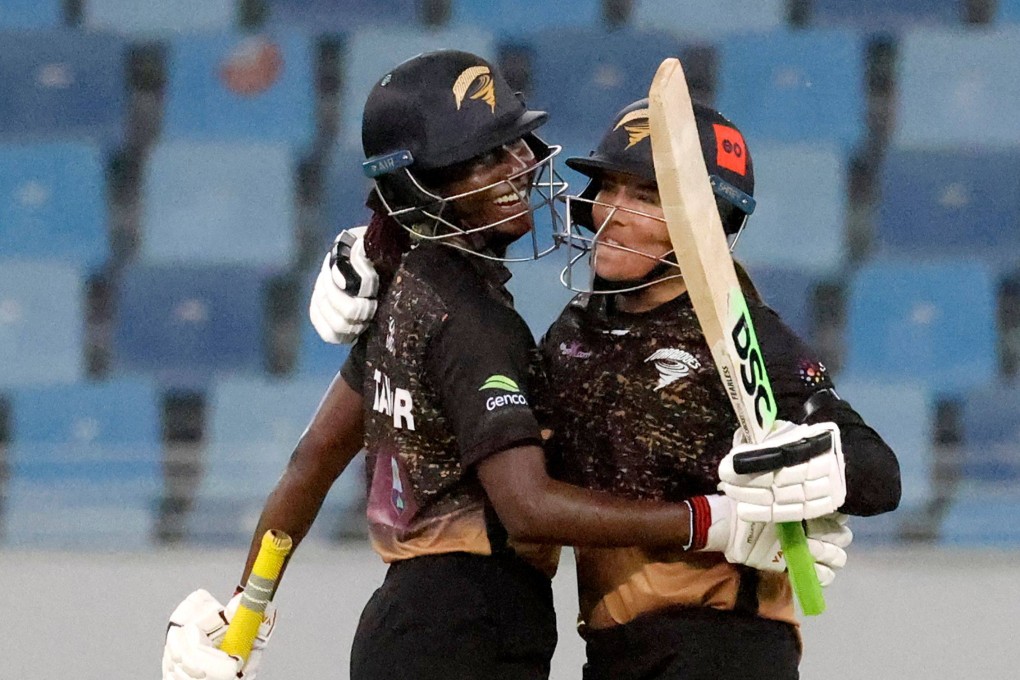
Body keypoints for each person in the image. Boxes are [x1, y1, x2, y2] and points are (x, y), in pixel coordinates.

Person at [161, 51, 845, 680]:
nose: (519, 166)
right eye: (483, 158)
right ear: (423, 185)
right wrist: (714, 521)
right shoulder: (476, 322)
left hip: (406, 624)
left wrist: (246, 611)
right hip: (473, 626)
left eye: (515, 143)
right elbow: (528, 508)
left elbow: (310, 462)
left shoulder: (404, 294)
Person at [309, 97, 901, 679]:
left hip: (725, 647)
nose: (612, 213)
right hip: (613, 654)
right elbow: (509, 465)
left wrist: (812, 477)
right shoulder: (572, 335)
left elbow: (878, 472)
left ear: (709, 220)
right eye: (608, 188)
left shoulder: (743, 333)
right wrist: (379, 251)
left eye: (646, 196)